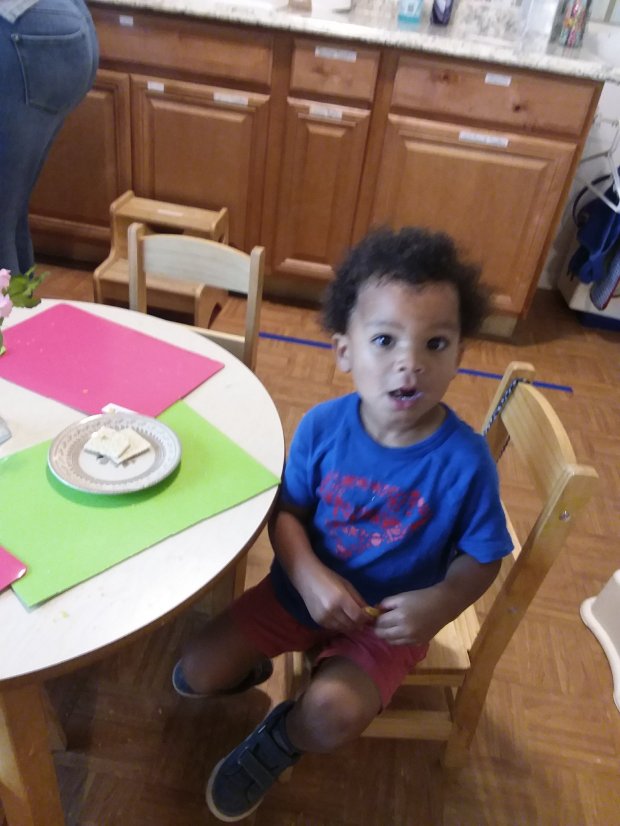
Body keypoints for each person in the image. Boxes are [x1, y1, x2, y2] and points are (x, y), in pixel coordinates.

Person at [173, 226, 514, 822]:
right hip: (296, 594)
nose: (410, 363)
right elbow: (288, 514)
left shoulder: (466, 462)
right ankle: (264, 662)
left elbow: (484, 557)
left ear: (459, 355)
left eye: (435, 343)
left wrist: (439, 604)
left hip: (384, 627)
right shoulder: (321, 427)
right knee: (193, 673)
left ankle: (282, 738)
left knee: (331, 714)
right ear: (344, 350)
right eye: (384, 339)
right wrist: (308, 577)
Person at [0, 0, 98, 274]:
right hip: (65, 25)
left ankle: (11, 303)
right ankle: (23, 302)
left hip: (24, 35)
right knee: (10, 216)